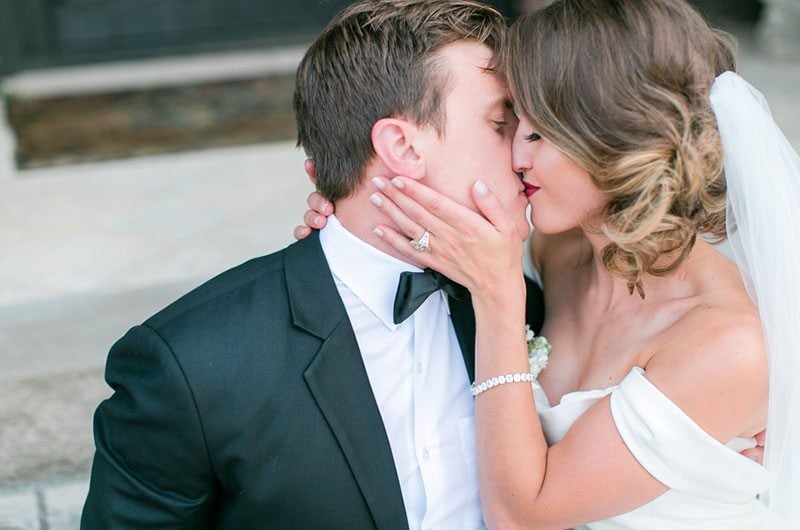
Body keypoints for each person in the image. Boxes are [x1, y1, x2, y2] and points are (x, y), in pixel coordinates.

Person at [299, 0, 798, 527]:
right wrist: (355, 215)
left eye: (537, 134)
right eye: (508, 125)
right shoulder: (558, 251)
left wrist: (498, 296)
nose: (515, 155)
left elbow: (522, 515)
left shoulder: (730, 343)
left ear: (616, 139)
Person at [80, 1, 544, 528]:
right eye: (501, 123)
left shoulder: (530, 300)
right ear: (401, 146)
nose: (525, 151)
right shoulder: (191, 364)